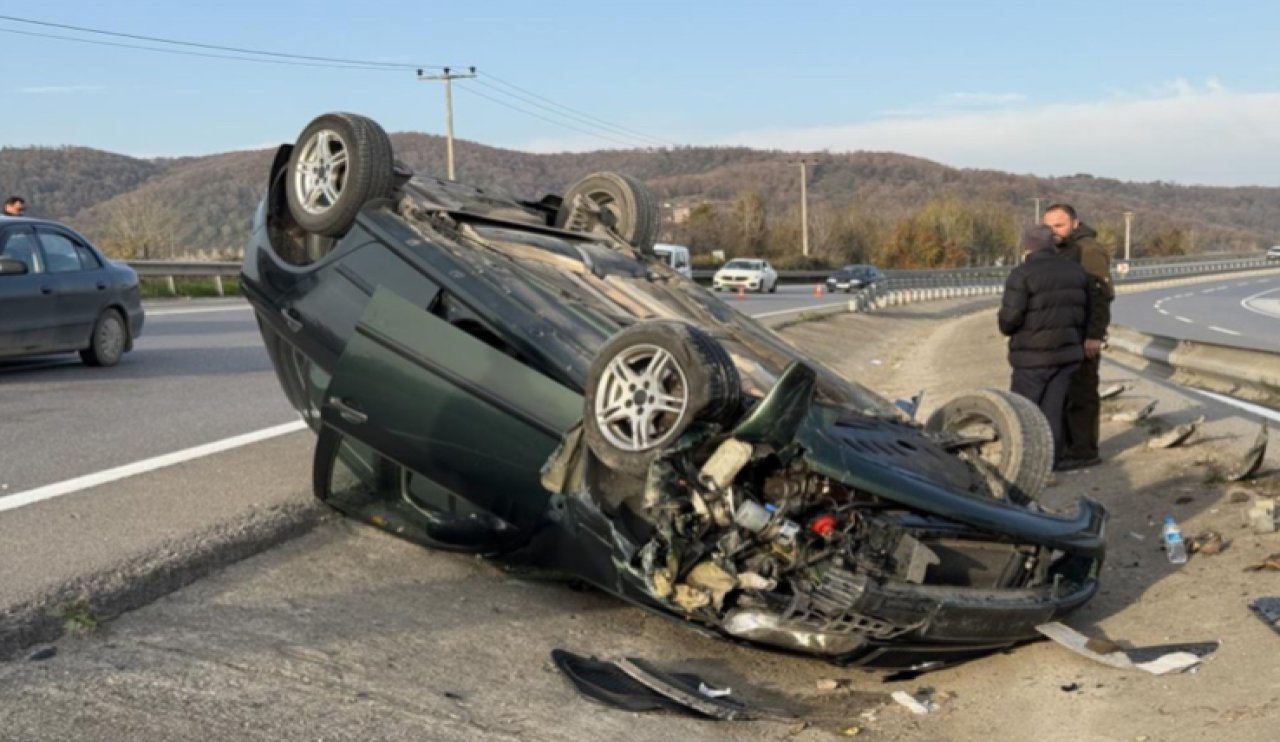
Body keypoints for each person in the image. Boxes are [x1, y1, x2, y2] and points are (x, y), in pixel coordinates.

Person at [998, 225, 1091, 469]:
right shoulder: (1076, 272)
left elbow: (1009, 321)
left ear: (1026, 246)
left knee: (1024, 412)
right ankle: (1050, 462)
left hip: (1031, 357)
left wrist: (1006, 326)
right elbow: (1086, 313)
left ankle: (1026, 464)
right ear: (1052, 244)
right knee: (1054, 411)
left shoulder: (1022, 274)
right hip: (1066, 355)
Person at [1042, 204, 1113, 469]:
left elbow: (1101, 295)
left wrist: (1094, 335)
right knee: (1065, 393)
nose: (1053, 231)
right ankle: (1069, 447)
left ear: (1074, 223)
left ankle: (1084, 451)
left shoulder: (1088, 250)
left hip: (1083, 335)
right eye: (1048, 227)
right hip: (1065, 334)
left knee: (1082, 392)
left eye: (1058, 225)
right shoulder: (1059, 249)